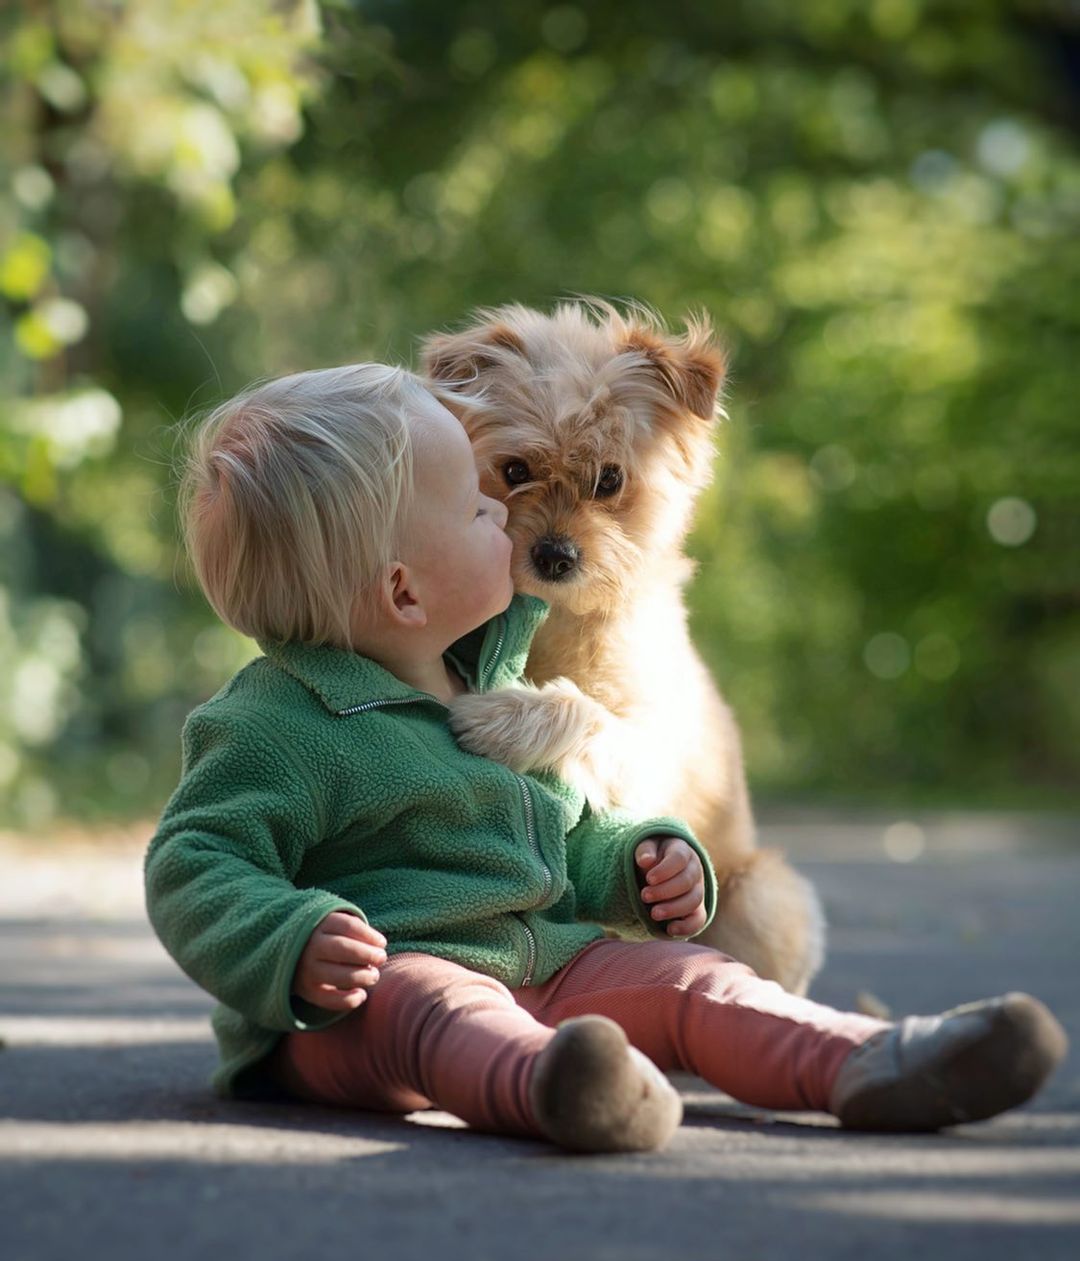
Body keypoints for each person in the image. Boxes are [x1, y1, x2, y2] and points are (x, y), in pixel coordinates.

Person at [145, 362, 1067, 1152]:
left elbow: (561, 835)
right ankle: (562, 1088)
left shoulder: (484, 685)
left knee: (692, 981)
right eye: (480, 507)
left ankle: (867, 1059)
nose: (511, 523)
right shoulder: (278, 721)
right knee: (436, 1008)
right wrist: (290, 942)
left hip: (546, 964)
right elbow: (195, 861)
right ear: (402, 590)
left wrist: (638, 864)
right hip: (357, 1011)